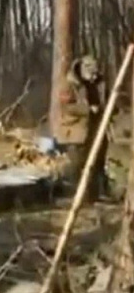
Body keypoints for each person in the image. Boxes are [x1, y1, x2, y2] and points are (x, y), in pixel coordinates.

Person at [57, 55, 107, 202]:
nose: (94, 77)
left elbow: (107, 99)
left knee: (98, 162)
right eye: (91, 74)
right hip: (75, 130)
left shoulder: (100, 83)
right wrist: (87, 109)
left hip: (96, 128)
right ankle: (74, 195)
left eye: (96, 74)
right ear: (83, 70)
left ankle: (94, 196)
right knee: (77, 164)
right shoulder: (68, 84)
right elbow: (66, 107)